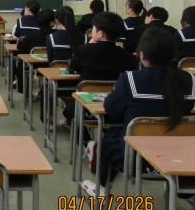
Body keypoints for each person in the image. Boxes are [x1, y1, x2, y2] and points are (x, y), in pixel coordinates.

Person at [81, 28, 195, 197]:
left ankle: (102, 187)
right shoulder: (190, 80)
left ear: (142, 55)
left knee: (111, 136)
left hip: (136, 159)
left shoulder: (131, 79)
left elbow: (111, 109)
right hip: (181, 159)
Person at [62, 12, 137, 126]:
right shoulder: (123, 54)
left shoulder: (84, 50)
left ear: (100, 33)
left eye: (93, 28)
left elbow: (73, 67)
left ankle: (85, 136)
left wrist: (89, 44)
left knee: (68, 111)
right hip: (113, 103)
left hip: (85, 103)